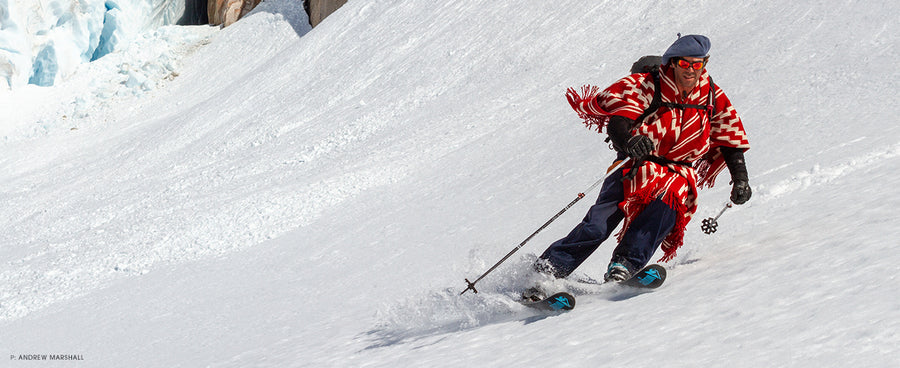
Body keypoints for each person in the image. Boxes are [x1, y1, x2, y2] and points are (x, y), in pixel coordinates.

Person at [528, 34, 751, 294]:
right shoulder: (648, 84)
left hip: (677, 173)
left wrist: (741, 179)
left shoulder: (711, 94)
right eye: (684, 63)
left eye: (697, 64)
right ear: (672, 62)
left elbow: (729, 136)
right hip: (635, 166)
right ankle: (546, 272)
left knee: (662, 213)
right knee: (597, 226)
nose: (691, 70)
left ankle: (624, 266)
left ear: (705, 63)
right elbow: (619, 120)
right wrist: (629, 141)